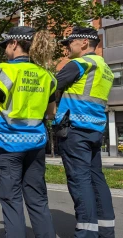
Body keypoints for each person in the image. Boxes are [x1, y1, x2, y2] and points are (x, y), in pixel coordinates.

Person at [0, 26, 57, 238]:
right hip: (36, 144)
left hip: (8, 145)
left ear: (14, 44)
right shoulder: (46, 75)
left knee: (12, 202)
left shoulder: (6, 71)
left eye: (6, 46)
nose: (5, 51)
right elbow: (51, 113)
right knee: (38, 199)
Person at [55, 26, 115, 238]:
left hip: (75, 131)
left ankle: (86, 233)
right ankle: (106, 231)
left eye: (70, 42)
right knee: (97, 180)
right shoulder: (105, 68)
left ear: (83, 43)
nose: (67, 47)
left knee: (80, 183)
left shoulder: (79, 64)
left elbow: (50, 87)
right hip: (95, 131)